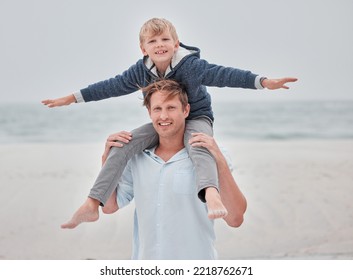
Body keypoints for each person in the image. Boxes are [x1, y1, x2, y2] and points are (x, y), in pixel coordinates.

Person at [42, 18, 297, 228]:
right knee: (121, 145)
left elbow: (225, 74)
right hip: (164, 121)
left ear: (176, 44)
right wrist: (72, 98)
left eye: (165, 39)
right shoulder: (140, 71)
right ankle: (91, 204)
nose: (159, 44)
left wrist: (263, 81)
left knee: (199, 145)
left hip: (197, 117)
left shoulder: (191, 66)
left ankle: (211, 193)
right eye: (152, 41)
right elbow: (111, 86)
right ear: (144, 49)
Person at [101, 80, 247, 259]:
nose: (163, 116)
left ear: (186, 110)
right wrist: (107, 159)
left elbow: (235, 218)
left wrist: (219, 160)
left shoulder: (210, 155)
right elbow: (109, 207)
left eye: (171, 108)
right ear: (149, 113)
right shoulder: (137, 157)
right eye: (157, 109)